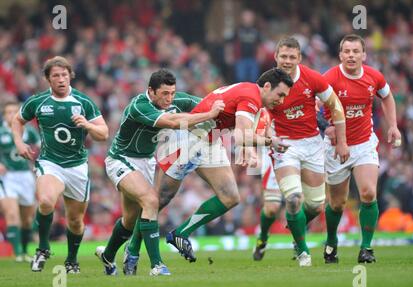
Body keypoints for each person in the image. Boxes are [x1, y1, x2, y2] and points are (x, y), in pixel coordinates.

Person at [122, 67, 293, 274]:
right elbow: (240, 136)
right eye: (280, 94)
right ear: (267, 86)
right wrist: (270, 141)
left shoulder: (250, 95)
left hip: (210, 140)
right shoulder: (251, 97)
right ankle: (132, 251)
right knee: (158, 201)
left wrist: (248, 149)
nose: (281, 100)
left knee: (230, 197)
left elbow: (240, 131)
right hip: (188, 141)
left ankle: (180, 233)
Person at [95, 69, 225, 276]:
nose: (169, 98)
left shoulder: (175, 101)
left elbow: (208, 102)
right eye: (164, 93)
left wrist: (239, 108)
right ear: (151, 91)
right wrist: (209, 115)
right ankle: (157, 265)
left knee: (129, 221)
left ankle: (108, 256)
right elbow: (173, 122)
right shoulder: (139, 105)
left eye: (172, 93)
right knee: (151, 201)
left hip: (146, 162)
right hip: (121, 159)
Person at [12, 56, 109, 273]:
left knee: (75, 221)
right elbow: (17, 120)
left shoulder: (84, 102)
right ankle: (43, 248)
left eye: (64, 74)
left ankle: (72, 260)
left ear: (70, 76)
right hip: (50, 163)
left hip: (77, 166)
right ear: (48, 79)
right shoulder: (37, 102)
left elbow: (104, 133)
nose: (61, 79)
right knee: (46, 201)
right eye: (55, 75)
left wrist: (87, 125)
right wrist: (19, 142)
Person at [266, 37, 349, 267]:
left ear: (299, 58)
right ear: (276, 56)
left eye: (292, 57)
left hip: (312, 144)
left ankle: (295, 225)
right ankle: (303, 252)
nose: (287, 61)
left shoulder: (312, 78)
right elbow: (260, 113)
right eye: (283, 56)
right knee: (293, 198)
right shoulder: (266, 82)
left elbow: (335, 105)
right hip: (284, 145)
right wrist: (264, 140)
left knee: (315, 205)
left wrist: (341, 141)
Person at [322, 34, 401, 264]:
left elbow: (387, 97)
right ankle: (331, 242)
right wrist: (327, 127)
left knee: (368, 193)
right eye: (347, 51)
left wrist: (393, 126)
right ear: (340, 55)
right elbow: (315, 106)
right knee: (337, 203)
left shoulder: (374, 77)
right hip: (336, 147)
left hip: (364, 143)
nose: (351, 55)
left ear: (364, 55)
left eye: (356, 51)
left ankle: (366, 248)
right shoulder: (330, 78)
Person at [0, 102, 39, 262]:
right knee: (11, 213)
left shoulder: (29, 131)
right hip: (7, 177)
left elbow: (41, 148)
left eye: (15, 112)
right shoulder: (1, 132)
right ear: (4, 116)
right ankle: (17, 254)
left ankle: (23, 251)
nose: (12, 115)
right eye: (9, 112)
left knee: (27, 218)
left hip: (26, 176)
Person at [251, 107, 286, 261]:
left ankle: (300, 244)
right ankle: (263, 237)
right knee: (271, 209)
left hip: (303, 150)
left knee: (304, 202)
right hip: (273, 154)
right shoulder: (268, 105)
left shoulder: (307, 91)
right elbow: (255, 133)